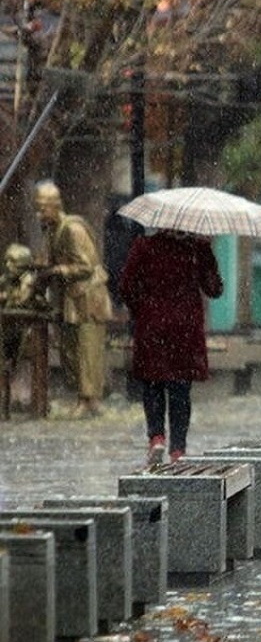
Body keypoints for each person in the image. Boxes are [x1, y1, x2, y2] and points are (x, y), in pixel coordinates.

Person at [120, 229, 223, 464]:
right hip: (185, 328)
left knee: (152, 383)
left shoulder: (144, 245)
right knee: (180, 389)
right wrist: (207, 260)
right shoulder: (197, 248)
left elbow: (126, 286)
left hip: (152, 325)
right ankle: (178, 449)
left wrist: (143, 310)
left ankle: (156, 437)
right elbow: (214, 289)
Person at [33, 181, 114, 417]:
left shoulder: (72, 229)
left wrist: (59, 271)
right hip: (73, 298)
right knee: (72, 350)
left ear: (54, 206)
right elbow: (49, 259)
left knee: (87, 349)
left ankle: (89, 400)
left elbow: (86, 266)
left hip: (88, 297)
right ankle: (84, 396)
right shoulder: (53, 230)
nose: (39, 214)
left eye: (42, 208)